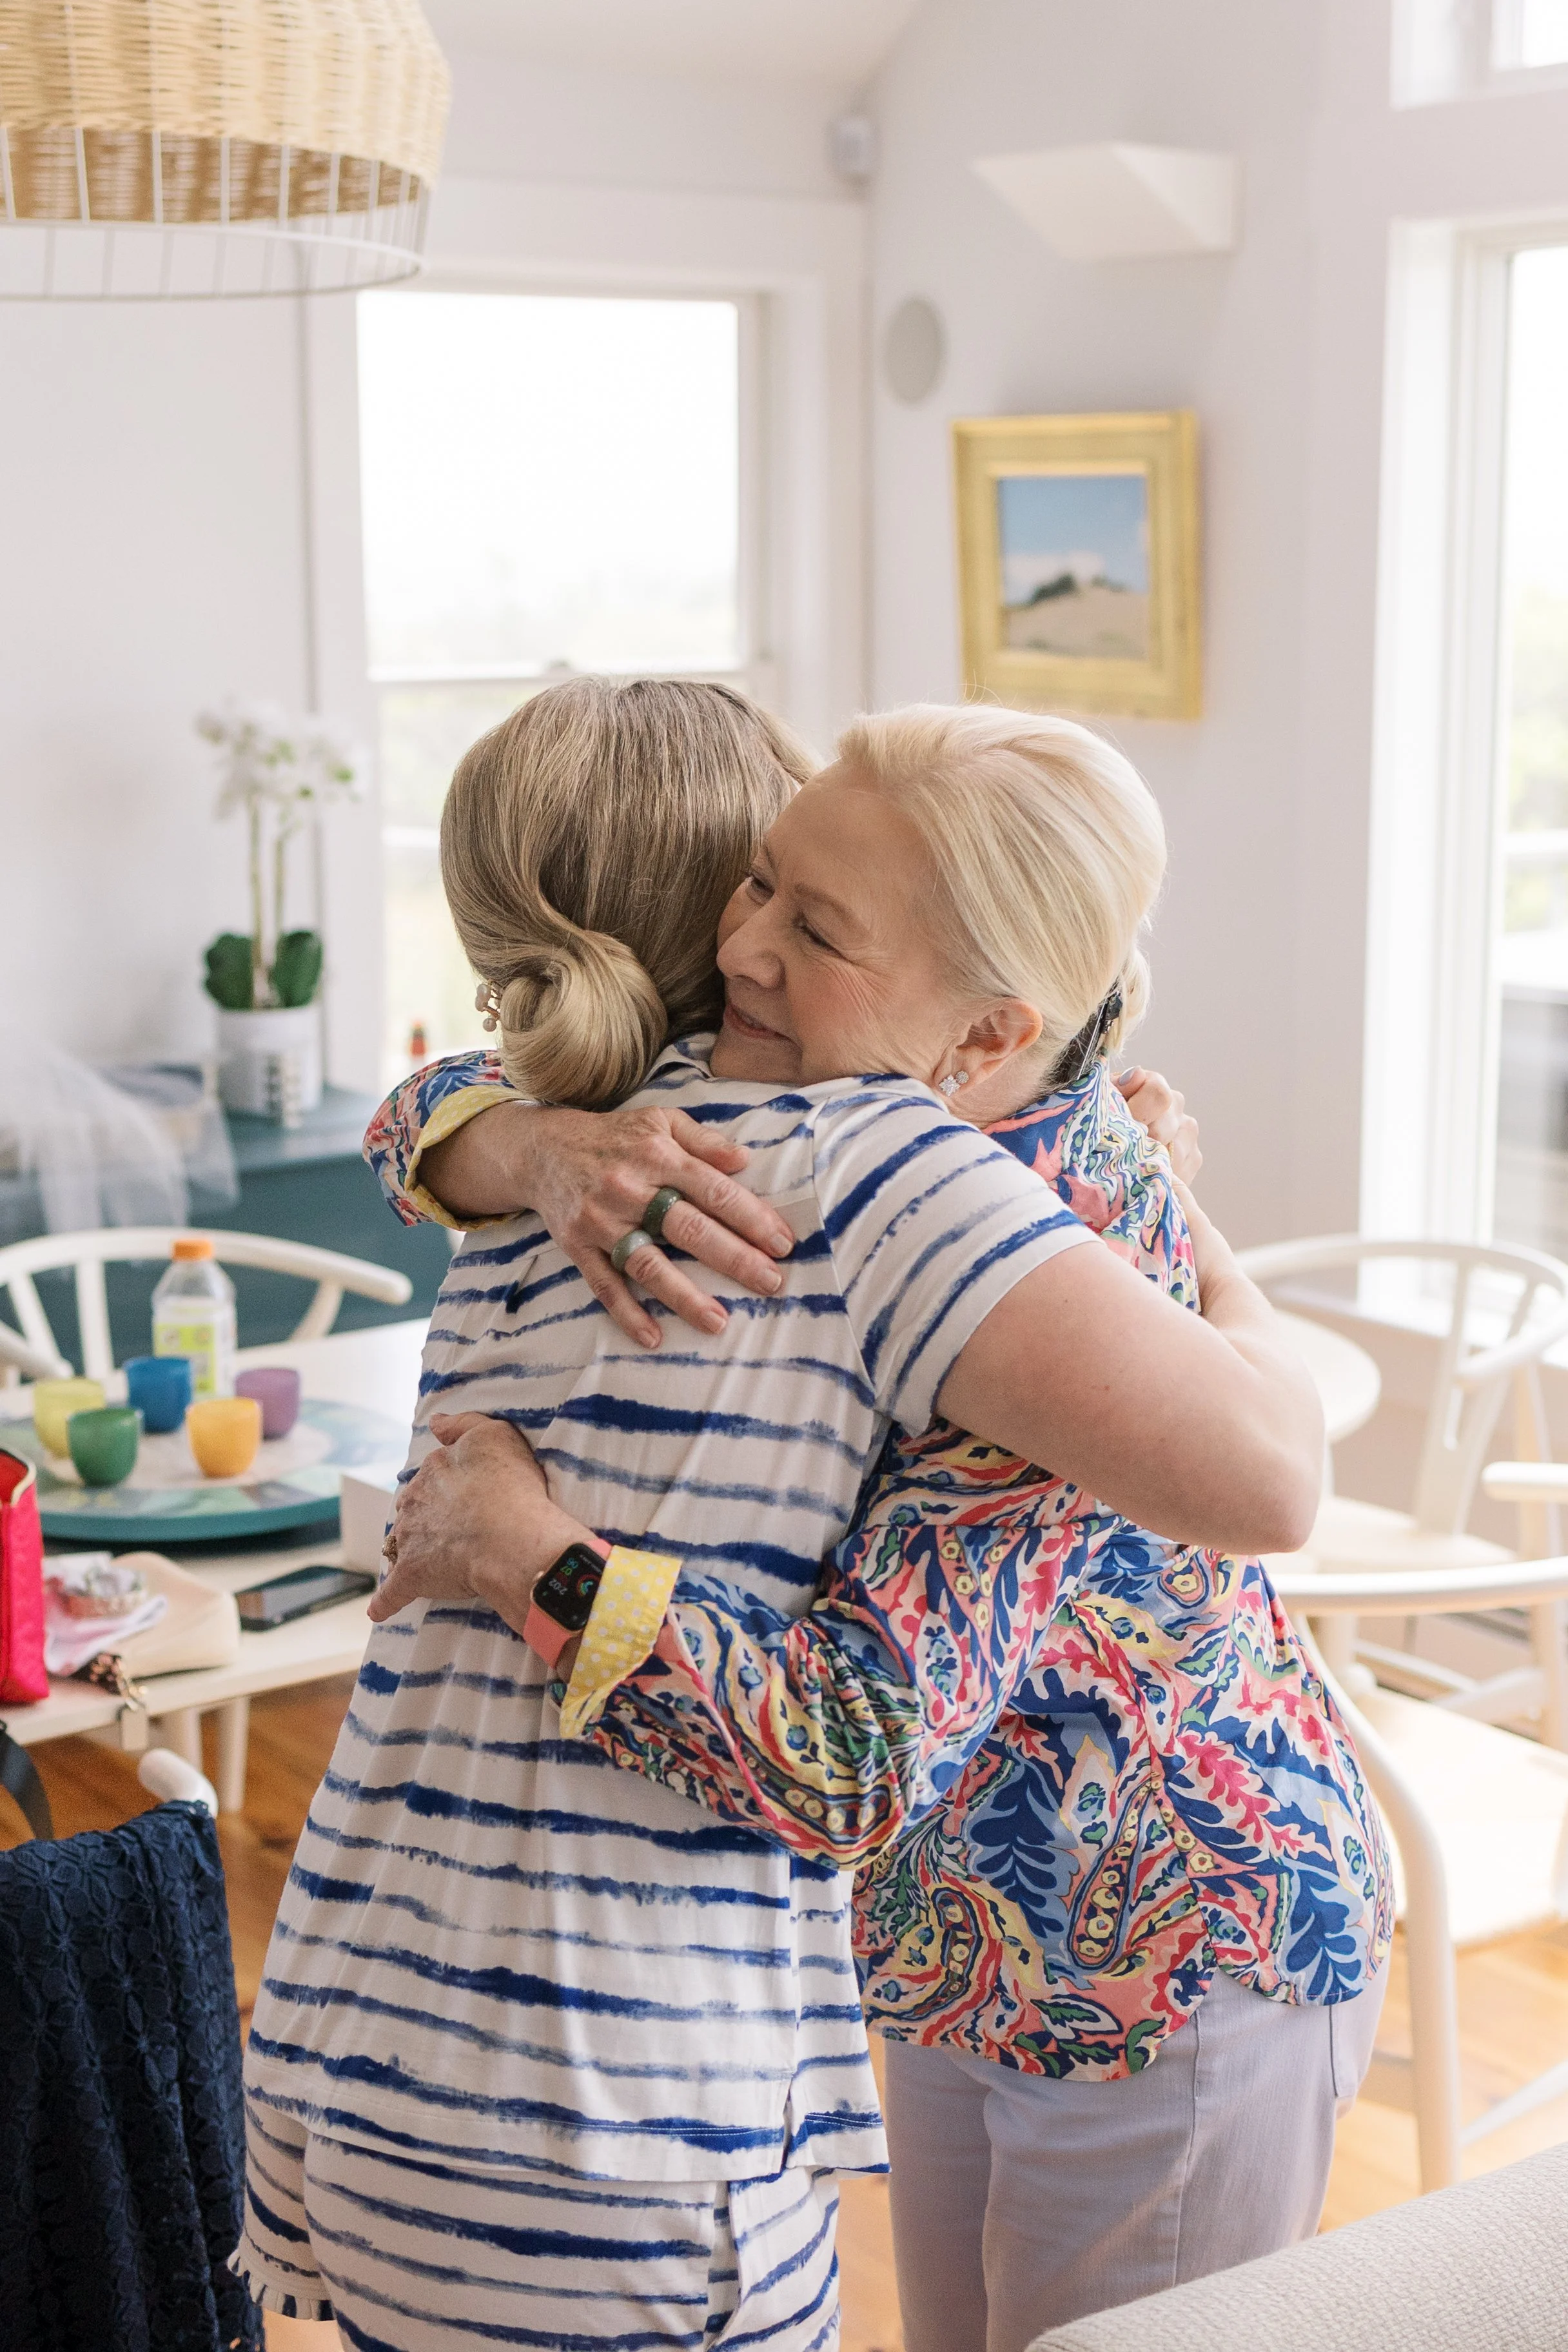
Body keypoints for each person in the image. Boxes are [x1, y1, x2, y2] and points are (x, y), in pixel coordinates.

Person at [236, 681, 1324, 2351]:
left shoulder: (991, 1207)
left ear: (985, 1033)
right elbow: (424, 1113)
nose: (747, 947)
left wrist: (524, 1545)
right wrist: (523, 1143)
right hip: (913, 1942)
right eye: (759, 882)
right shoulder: (650, 1134)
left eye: (814, 923)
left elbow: (1265, 1480)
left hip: (1150, 1913)